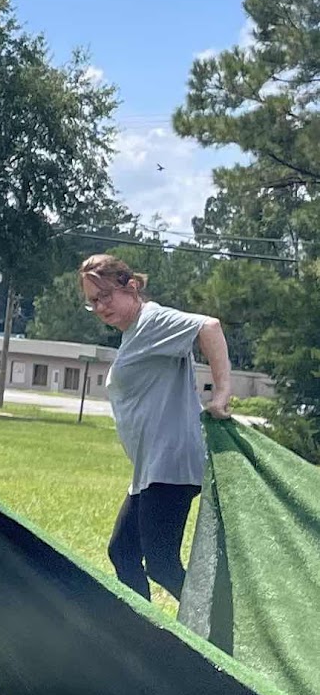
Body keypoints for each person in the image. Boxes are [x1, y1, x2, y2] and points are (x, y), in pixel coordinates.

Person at [78, 253, 233, 602]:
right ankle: (142, 631)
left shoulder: (152, 320)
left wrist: (222, 393)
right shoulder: (134, 332)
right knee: (123, 552)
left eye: (106, 295)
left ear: (131, 287)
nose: (100, 307)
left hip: (171, 465)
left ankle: (220, 630)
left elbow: (209, 327)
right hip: (150, 469)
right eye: (93, 301)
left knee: (161, 564)